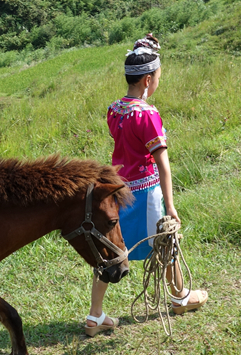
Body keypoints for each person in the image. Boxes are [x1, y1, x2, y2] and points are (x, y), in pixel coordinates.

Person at [85, 34, 209, 336]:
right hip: (145, 192)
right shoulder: (149, 115)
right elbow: (162, 165)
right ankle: (180, 296)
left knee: (112, 249)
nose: (157, 83)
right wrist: (171, 205)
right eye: (158, 78)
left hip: (117, 189)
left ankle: (95, 316)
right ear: (148, 80)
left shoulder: (114, 109)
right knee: (166, 241)